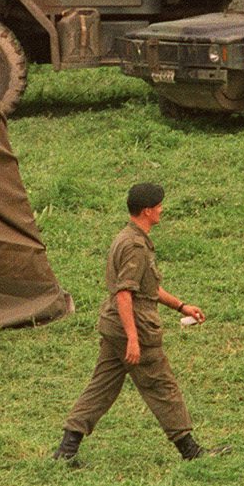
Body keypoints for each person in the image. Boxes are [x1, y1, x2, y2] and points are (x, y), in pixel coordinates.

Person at [52, 183, 223, 467]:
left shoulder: (126, 237)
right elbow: (125, 294)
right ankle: (190, 451)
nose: (161, 210)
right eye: (158, 206)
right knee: (162, 386)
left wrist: (181, 305)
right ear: (147, 211)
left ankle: (66, 450)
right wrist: (133, 338)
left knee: (101, 386)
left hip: (114, 327)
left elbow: (148, 288)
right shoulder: (135, 246)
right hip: (135, 328)